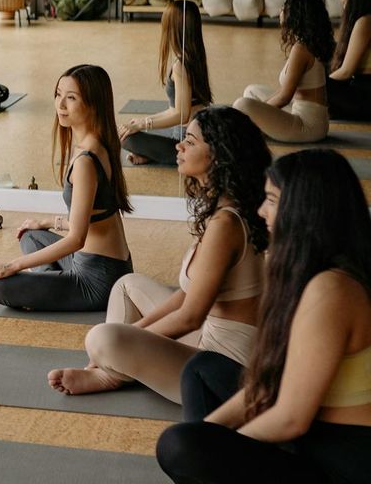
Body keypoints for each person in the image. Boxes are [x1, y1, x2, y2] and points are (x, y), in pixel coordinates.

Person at [157, 149, 371, 484]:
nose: (260, 211)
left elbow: (291, 418)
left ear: (304, 210)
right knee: (204, 369)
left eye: (270, 200)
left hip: (342, 465)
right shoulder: (314, 277)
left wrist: (215, 451)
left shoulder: (332, 290)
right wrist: (208, 438)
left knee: (178, 445)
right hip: (310, 438)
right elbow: (266, 386)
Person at [48, 107, 269, 403]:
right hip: (209, 337)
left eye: (190, 142)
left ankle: (110, 372)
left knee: (101, 338)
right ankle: (115, 365)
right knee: (127, 285)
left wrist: (126, 339)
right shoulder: (224, 210)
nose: (178, 146)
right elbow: (186, 295)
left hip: (225, 370)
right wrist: (135, 331)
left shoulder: (226, 224)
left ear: (218, 156)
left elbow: (190, 317)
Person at [0, 65, 133, 311]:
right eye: (58, 94)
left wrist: (13, 266)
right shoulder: (98, 142)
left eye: (71, 98)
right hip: (105, 264)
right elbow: (88, 219)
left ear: (93, 104)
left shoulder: (86, 161)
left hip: (97, 280)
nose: (60, 104)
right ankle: (48, 284)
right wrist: (46, 223)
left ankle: (46, 287)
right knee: (30, 236)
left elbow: (77, 239)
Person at [234, 0, 333, 143]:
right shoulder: (306, 44)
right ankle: (253, 127)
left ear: (296, 14)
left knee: (242, 104)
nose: (281, 10)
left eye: (285, 7)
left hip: (307, 127)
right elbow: (283, 93)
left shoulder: (301, 49)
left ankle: (248, 129)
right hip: (306, 116)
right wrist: (261, 109)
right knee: (252, 91)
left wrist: (258, 110)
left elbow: (284, 97)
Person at [120, 0, 213, 166]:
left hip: (185, 140)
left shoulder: (180, 66)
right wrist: (144, 121)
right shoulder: (195, 57)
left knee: (124, 137)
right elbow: (174, 110)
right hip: (198, 132)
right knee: (133, 127)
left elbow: (182, 114)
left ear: (172, 29)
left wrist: (144, 124)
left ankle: (164, 155)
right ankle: (151, 154)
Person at [328, 0, 371, 121]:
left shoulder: (365, 21)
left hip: (366, 97)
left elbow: (346, 71)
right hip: (360, 89)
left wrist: (320, 88)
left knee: (315, 82)